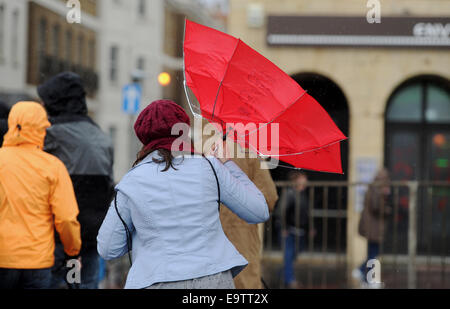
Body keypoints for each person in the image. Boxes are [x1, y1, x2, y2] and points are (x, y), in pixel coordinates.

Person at [97, 100, 270, 289]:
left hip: (156, 280)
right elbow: (258, 210)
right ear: (184, 130)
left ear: (143, 137)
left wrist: (145, 235)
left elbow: (108, 248)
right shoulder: (210, 167)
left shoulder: (131, 181)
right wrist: (227, 163)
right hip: (213, 278)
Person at [37, 72, 114, 289]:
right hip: (90, 238)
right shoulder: (101, 137)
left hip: (56, 239)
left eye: (44, 101)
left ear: (55, 101)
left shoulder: (51, 134)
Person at [0, 101, 81, 289]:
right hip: (37, 261)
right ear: (43, 127)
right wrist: (72, 252)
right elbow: (67, 219)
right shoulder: (53, 166)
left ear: (12, 123)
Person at [355, 168, 392, 286]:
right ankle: (366, 277)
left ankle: (362, 274)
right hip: (373, 227)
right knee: (373, 253)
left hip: (371, 227)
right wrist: (386, 209)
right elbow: (376, 206)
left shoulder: (373, 187)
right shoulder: (377, 189)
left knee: (372, 252)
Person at [282, 170, 311, 288]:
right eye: (302, 178)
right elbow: (282, 211)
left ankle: (284, 273)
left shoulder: (303, 194)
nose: (305, 181)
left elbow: (306, 213)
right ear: (296, 180)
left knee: (297, 251)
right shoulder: (290, 193)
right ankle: (289, 279)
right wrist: (284, 227)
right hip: (289, 229)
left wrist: (310, 227)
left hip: (300, 229)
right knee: (289, 254)